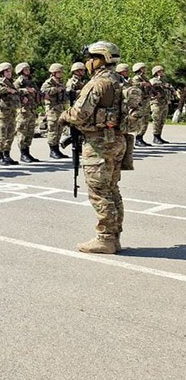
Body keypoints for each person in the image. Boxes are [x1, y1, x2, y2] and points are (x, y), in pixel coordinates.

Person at [60, 41, 126, 254]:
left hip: (99, 143)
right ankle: (114, 237)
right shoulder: (120, 81)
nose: (87, 63)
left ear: (100, 59)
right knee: (112, 189)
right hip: (117, 140)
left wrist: (64, 116)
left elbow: (80, 114)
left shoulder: (97, 84)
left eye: (90, 58)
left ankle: (105, 238)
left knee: (99, 191)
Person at [116, 63, 143, 171]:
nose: (127, 72)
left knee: (126, 135)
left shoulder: (128, 81)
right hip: (119, 111)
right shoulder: (117, 81)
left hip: (127, 110)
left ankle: (124, 160)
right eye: (125, 71)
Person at [40, 63, 70, 159]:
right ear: (54, 73)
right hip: (52, 109)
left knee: (59, 130)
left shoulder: (60, 82)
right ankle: (52, 150)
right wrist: (56, 89)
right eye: (59, 72)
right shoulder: (49, 82)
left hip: (60, 108)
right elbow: (43, 91)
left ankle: (57, 149)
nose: (61, 74)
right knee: (53, 130)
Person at [0, 62, 20, 166]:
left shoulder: (11, 83)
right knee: (2, 135)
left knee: (10, 135)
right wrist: (9, 90)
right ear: (2, 73)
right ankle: (0, 157)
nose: (9, 73)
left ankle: (7, 155)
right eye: (6, 71)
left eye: (10, 71)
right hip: (2, 113)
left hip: (12, 112)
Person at [13, 62, 40, 162]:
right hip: (23, 111)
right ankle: (23, 153)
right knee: (22, 132)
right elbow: (14, 92)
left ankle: (27, 152)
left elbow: (37, 92)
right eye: (26, 69)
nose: (28, 71)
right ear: (21, 71)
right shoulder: (18, 82)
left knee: (30, 132)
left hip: (32, 110)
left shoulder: (31, 82)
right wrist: (25, 91)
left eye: (28, 69)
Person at [149, 65, 174, 144]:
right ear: (156, 73)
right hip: (157, 103)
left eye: (162, 71)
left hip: (164, 103)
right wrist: (164, 84)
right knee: (157, 120)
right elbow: (153, 84)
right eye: (160, 71)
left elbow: (170, 87)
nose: (162, 73)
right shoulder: (154, 80)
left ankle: (159, 136)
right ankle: (155, 137)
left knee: (162, 121)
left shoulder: (163, 81)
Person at [131, 63, 153, 147]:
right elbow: (133, 86)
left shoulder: (144, 78)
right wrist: (142, 84)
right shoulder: (136, 78)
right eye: (143, 68)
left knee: (145, 120)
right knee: (139, 121)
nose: (145, 70)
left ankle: (141, 137)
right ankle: (137, 138)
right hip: (140, 102)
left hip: (146, 101)